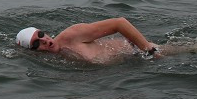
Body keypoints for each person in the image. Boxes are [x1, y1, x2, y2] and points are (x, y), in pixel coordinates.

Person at [16, 18, 161, 63]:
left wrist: (148, 50)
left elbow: (120, 23)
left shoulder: (71, 35)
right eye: (36, 43)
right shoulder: (56, 59)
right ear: (33, 53)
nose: (44, 40)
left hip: (138, 51)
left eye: (41, 34)